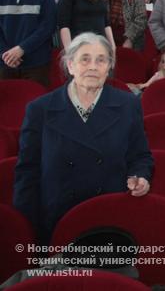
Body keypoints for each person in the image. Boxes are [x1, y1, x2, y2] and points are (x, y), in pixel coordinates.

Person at [14, 32, 153, 244]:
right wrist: (27, 232)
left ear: (109, 67)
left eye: (101, 60)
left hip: (110, 220)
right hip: (55, 222)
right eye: (85, 59)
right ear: (70, 65)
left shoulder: (128, 105)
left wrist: (140, 176)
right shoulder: (40, 110)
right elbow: (27, 173)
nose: (93, 66)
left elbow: (140, 156)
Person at [0, 0, 57, 87]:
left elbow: (47, 27)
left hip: (36, 63)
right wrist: (4, 53)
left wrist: (21, 49)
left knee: (35, 104)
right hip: (4, 61)